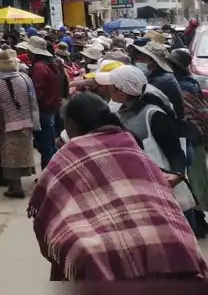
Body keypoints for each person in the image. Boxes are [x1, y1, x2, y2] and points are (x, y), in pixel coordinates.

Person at [29, 92, 208, 281]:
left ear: (71, 124)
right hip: (164, 239)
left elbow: (47, 208)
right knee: (178, 237)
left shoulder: (67, 154)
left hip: (97, 252)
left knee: (79, 250)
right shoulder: (130, 142)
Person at [0, 50, 40, 198]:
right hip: (26, 122)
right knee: (23, 155)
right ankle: (17, 186)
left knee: (9, 156)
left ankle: (16, 187)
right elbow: (32, 99)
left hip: (6, 124)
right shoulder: (25, 79)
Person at [171, 48, 208, 237]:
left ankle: (198, 222)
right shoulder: (188, 82)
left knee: (194, 181)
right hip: (195, 137)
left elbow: (193, 112)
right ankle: (199, 219)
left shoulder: (179, 86)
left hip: (191, 138)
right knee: (197, 180)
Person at [24, 37, 67, 169]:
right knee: (47, 143)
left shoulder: (39, 68)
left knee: (45, 145)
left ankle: (49, 173)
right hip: (51, 108)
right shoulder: (52, 64)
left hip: (42, 110)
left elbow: (36, 92)